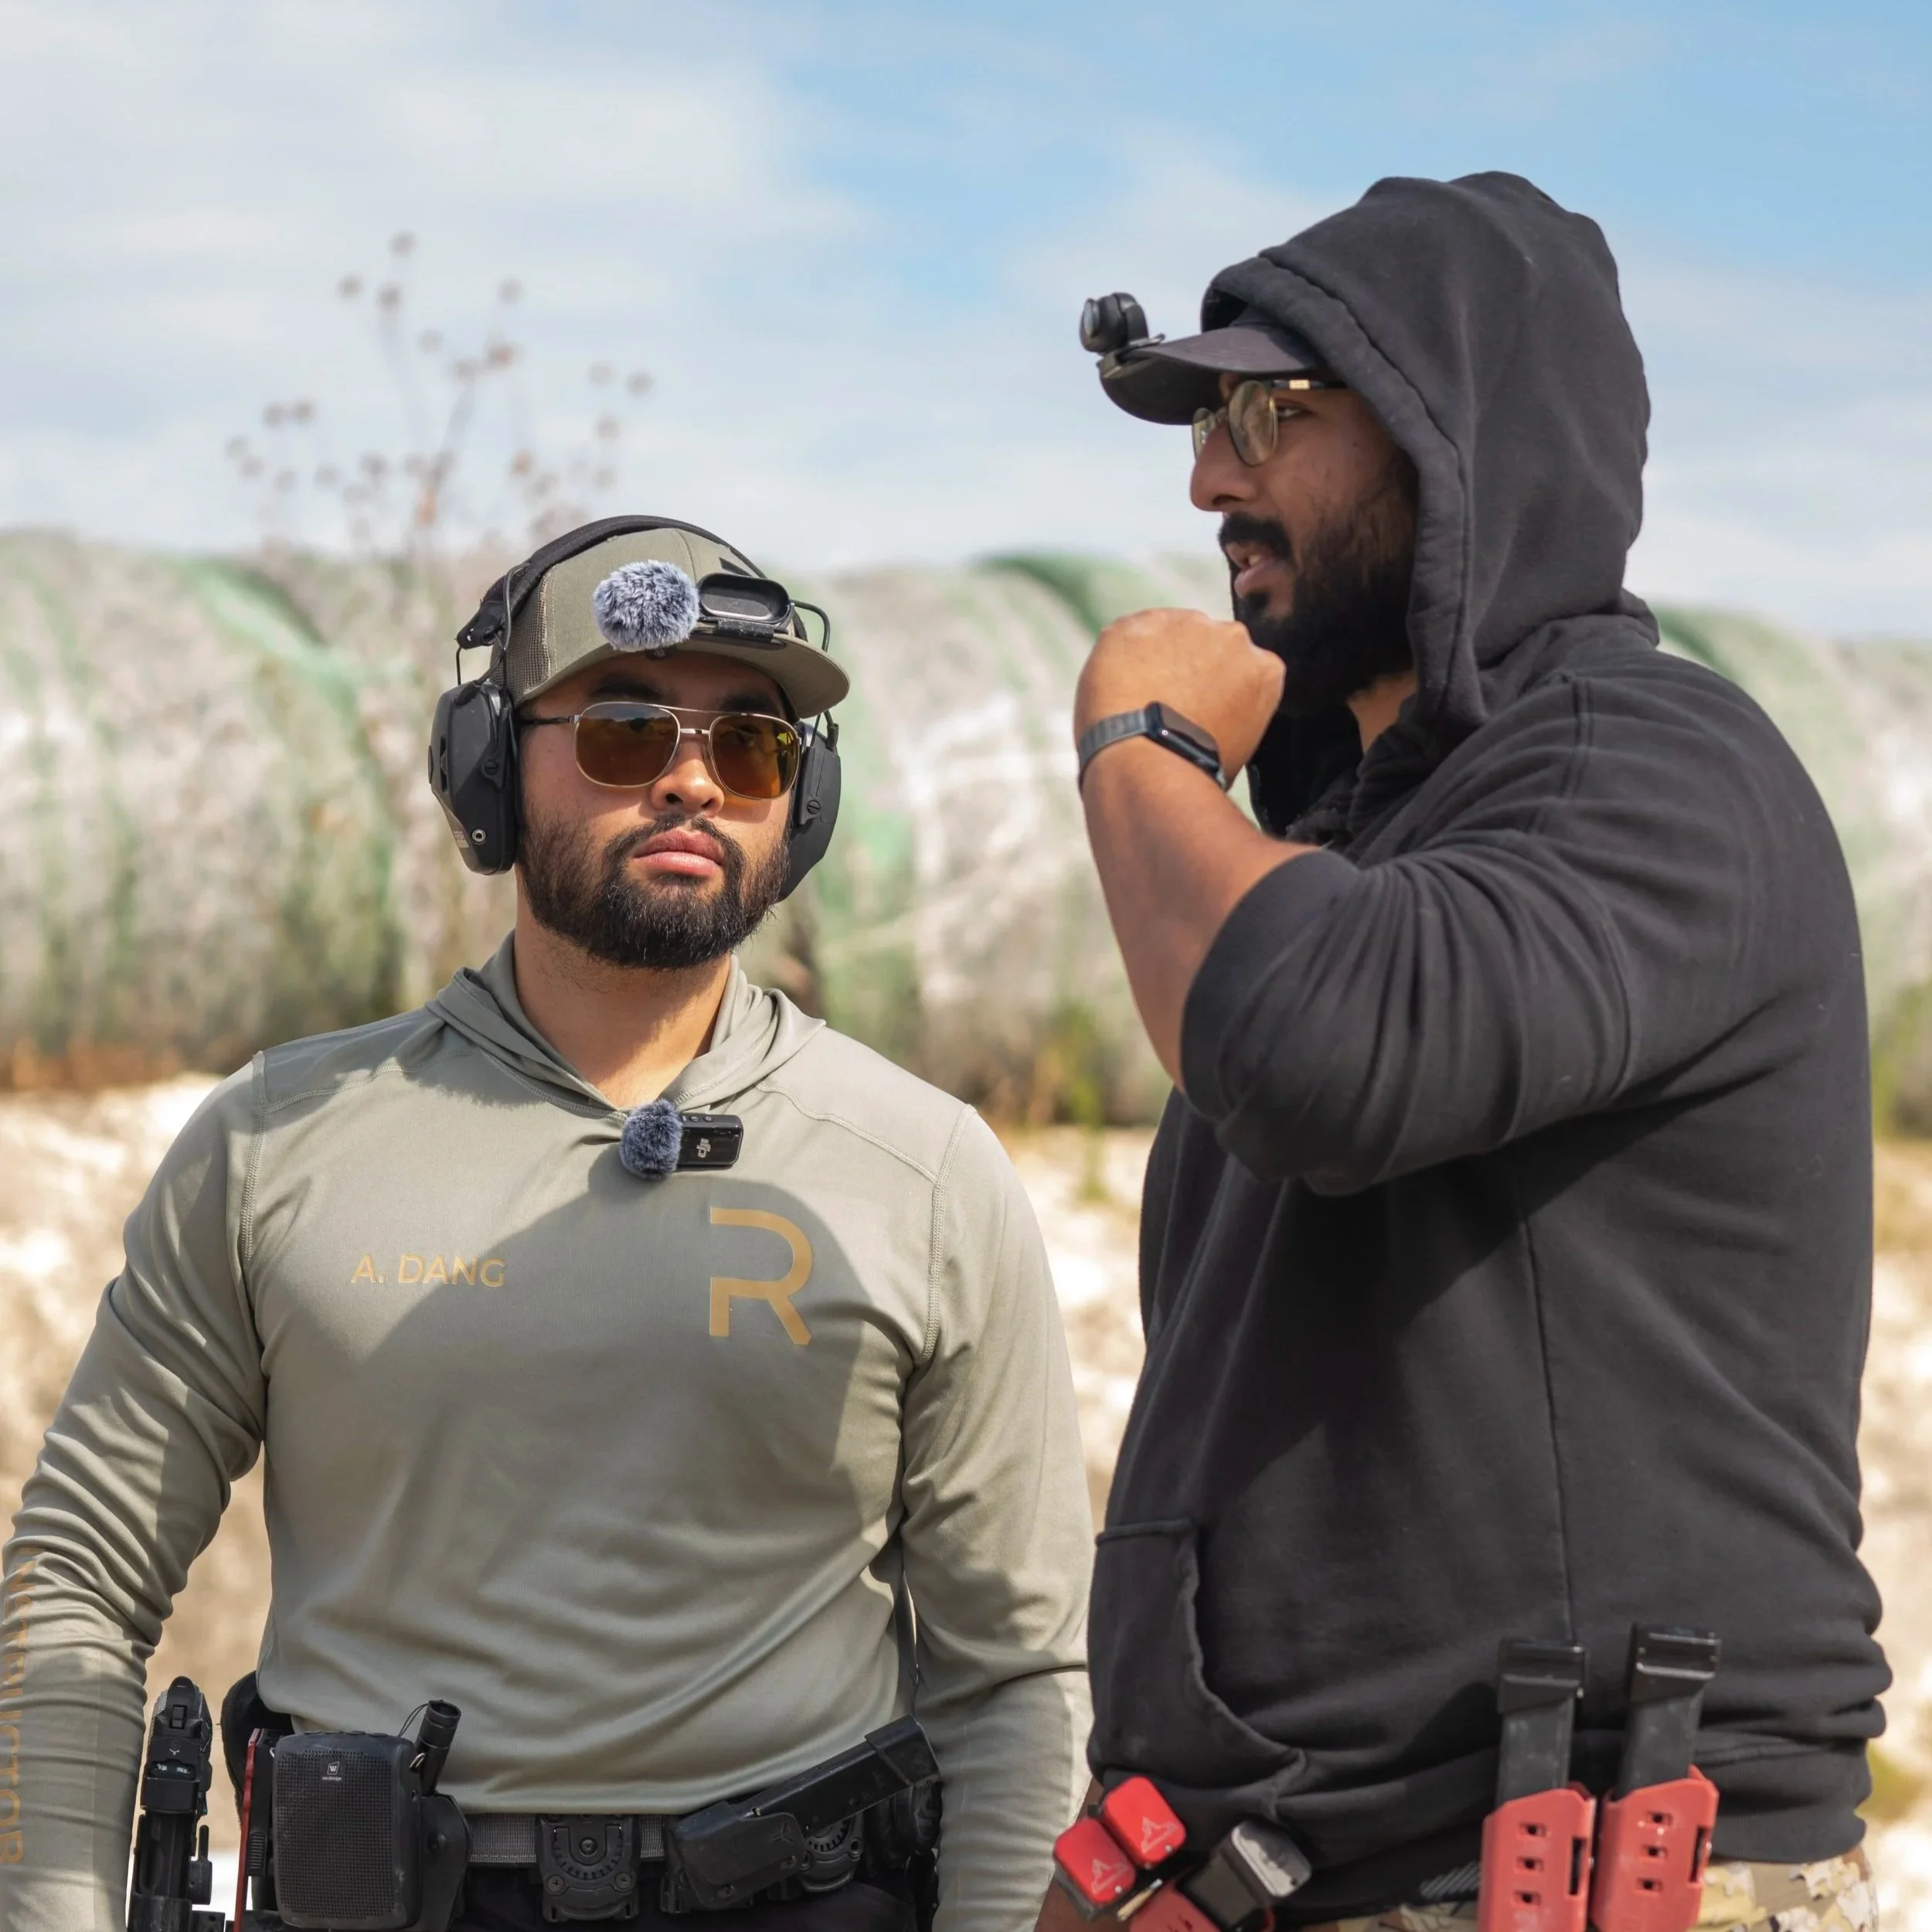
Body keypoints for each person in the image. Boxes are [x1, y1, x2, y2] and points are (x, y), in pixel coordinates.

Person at [2, 519, 1093, 1932]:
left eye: (751, 743)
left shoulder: (925, 1168)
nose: (694, 778)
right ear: (487, 769)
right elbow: (81, 1571)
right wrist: (51, 1907)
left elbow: (1017, 1677)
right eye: (628, 729)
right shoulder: (277, 1140)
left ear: (800, 805)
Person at [1051, 173, 1886, 1932]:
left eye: (1271, 411)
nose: (1208, 478)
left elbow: (1319, 1048)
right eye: (1202, 420)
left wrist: (1136, 738)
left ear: (1460, 439)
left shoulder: (1645, 765)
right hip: (1281, 1871)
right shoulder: (1367, 847)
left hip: (1569, 1872)